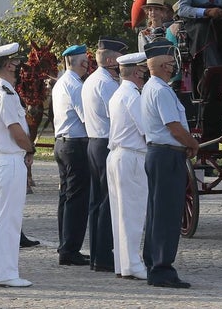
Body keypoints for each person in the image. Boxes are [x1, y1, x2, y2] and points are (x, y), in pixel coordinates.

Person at [139, 40, 200, 288]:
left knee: (157, 211)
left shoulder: (151, 87)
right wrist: (192, 143)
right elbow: (173, 127)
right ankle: (162, 268)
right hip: (167, 154)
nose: (174, 65)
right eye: (171, 61)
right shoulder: (161, 90)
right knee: (166, 214)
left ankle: (154, 262)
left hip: (159, 153)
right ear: (164, 64)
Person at [0, 42, 33, 288]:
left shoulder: (3, 90)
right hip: (7, 159)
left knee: (5, 217)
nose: (18, 65)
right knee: (7, 219)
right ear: (8, 64)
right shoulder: (4, 93)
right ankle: (5, 272)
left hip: (4, 159)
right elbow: (16, 131)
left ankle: (6, 270)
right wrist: (30, 148)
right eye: (15, 61)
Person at [82, 37, 127, 272]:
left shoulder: (92, 80)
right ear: (110, 59)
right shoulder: (108, 83)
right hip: (105, 142)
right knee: (107, 203)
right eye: (119, 59)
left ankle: (96, 255)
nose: (121, 64)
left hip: (94, 142)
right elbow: (117, 115)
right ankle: (104, 255)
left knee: (97, 202)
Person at [106, 51, 148, 280]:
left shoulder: (118, 93)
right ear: (137, 71)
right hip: (131, 156)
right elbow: (146, 130)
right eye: (142, 70)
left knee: (120, 214)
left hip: (118, 155)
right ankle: (133, 263)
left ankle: (123, 263)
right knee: (132, 213)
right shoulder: (133, 96)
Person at [52, 44, 91, 266]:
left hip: (62, 143)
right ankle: (70, 248)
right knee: (77, 200)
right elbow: (86, 116)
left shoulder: (62, 82)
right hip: (75, 145)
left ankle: (65, 244)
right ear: (83, 63)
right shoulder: (75, 86)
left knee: (66, 198)